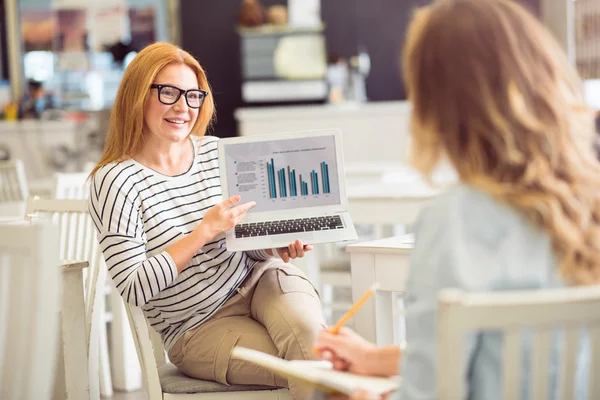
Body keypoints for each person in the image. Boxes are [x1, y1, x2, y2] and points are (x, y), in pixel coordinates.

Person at [313, 0, 599, 399]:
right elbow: (512, 357)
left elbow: (428, 393)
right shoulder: (589, 206)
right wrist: (376, 359)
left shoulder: (454, 222)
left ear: (437, 105)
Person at [88, 42, 327, 400]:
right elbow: (135, 287)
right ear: (137, 94)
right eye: (168, 92)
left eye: (193, 96)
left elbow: (245, 244)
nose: (183, 107)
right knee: (308, 365)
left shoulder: (215, 153)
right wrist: (204, 231)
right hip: (196, 328)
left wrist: (273, 244)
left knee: (318, 352)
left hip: (262, 280)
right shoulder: (115, 181)